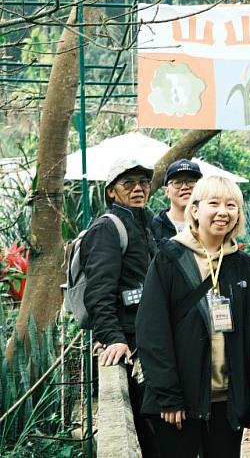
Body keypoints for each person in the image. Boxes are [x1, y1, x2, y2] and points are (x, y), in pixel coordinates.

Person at [136, 176, 250, 457]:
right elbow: (152, 331)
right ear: (195, 209)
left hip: (227, 401)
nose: (224, 212)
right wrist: (169, 397)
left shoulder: (244, 266)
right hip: (179, 402)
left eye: (231, 205)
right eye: (214, 203)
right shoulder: (169, 258)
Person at [82, 156, 159, 455]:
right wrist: (111, 337)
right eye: (128, 183)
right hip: (130, 340)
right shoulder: (108, 228)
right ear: (111, 191)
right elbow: (99, 290)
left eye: (143, 182)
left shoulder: (148, 223)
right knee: (149, 428)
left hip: (150, 337)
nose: (138, 188)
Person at [150, 159, 203, 247]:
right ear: (166, 191)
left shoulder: (207, 224)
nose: (185, 187)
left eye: (191, 181)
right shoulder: (154, 226)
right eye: (177, 183)